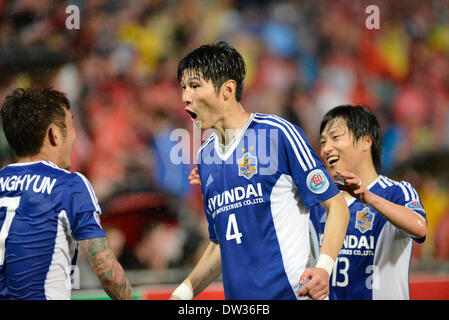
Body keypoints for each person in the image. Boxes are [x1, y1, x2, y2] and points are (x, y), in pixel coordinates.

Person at [169, 41, 349, 300]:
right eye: (184, 88)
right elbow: (224, 244)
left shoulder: (277, 134)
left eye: (195, 86)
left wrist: (323, 269)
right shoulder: (205, 157)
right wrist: (184, 291)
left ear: (227, 89)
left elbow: (337, 207)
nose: (186, 97)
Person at [0, 88, 133, 300]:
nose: (74, 136)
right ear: (54, 134)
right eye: (71, 127)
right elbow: (109, 275)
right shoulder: (70, 185)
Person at [310, 105, 427, 299]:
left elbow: (419, 227)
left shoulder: (397, 192)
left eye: (335, 137)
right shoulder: (318, 203)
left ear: (366, 141)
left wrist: (368, 197)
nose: (326, 148)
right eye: (322, 142)